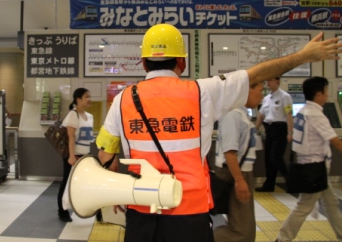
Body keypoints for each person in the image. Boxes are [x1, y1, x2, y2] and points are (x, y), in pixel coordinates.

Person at [95, 23, 342, 242]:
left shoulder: (122, 100)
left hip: (141, 213)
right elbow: (257, 73)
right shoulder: (202, 92)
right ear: (181, 62)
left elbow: (106, 153)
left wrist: (115, 188)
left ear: (144, 62)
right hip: (189, 213)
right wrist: (304, 55)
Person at [275, 76, 342, 242]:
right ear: (319, 95)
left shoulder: (304, 111)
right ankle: (282, 239)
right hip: (315, 168)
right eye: (326, 91)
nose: (327, 95)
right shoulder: (316, 115)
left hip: (308, 165)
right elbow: (335, 141)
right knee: (304, 206)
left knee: (331, 202)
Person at [213, 82, 264, 242]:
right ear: (246, 91)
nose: (262, 95)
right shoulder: (233, 115)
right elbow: (230, 152)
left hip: (240, 173)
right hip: (234, 173)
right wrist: (240, 180)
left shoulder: (242, 114)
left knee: (244, 228)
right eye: (260, 90)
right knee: (242, 232)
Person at [57, 88, 94, 222]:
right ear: (78, 99)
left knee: (82, 182)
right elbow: (71, 137)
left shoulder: (89, 116)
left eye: (90, 96)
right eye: (86, 97)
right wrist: (71, 156)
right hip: (73, 155)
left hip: (85, 154)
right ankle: (62, 211)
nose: (89, 99)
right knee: (66, 181)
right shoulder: (73, 115)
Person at [255, 77, 293, 192]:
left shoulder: (285, 96)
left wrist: (290, 132)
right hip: (269, 129)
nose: (267, 83)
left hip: (280, 129)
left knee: (275, 157)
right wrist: (254, 129)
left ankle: (291, 181)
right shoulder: (266, 98)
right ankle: (269, 184)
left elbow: (289, 115)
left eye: (270, 80)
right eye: (267, 81)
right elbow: (261, 115)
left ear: (278, 81)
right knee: (268, 159)